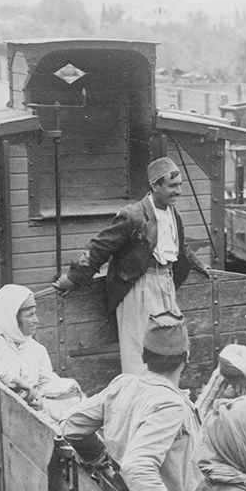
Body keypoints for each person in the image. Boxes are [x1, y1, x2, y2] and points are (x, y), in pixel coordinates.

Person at [52, 156, 207, 375]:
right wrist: (74, 277)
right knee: (140, 353)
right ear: (155, 186)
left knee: (171, 344)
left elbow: (179, 245)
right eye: (173, 186)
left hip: (166, 285)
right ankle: (137, 400)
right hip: (140, 286)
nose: (179, 191)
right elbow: (99, 246)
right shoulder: (133, 215)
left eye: (180, 185)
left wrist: (198, 263)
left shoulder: (175, 213)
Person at [60, 311, 200, 491]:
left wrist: (99, 458)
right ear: (187, 357)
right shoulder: (171, 404)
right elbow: (137, 466)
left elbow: (71, 425)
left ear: (143, 356)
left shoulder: (124, 384)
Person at [0, 284, 58, 404]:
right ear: (12, 319)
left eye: (35, 313)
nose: (36, 320)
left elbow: (47, 382)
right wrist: (19, 382)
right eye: (30, 315)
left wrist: (45, 398)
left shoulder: (37, 349)